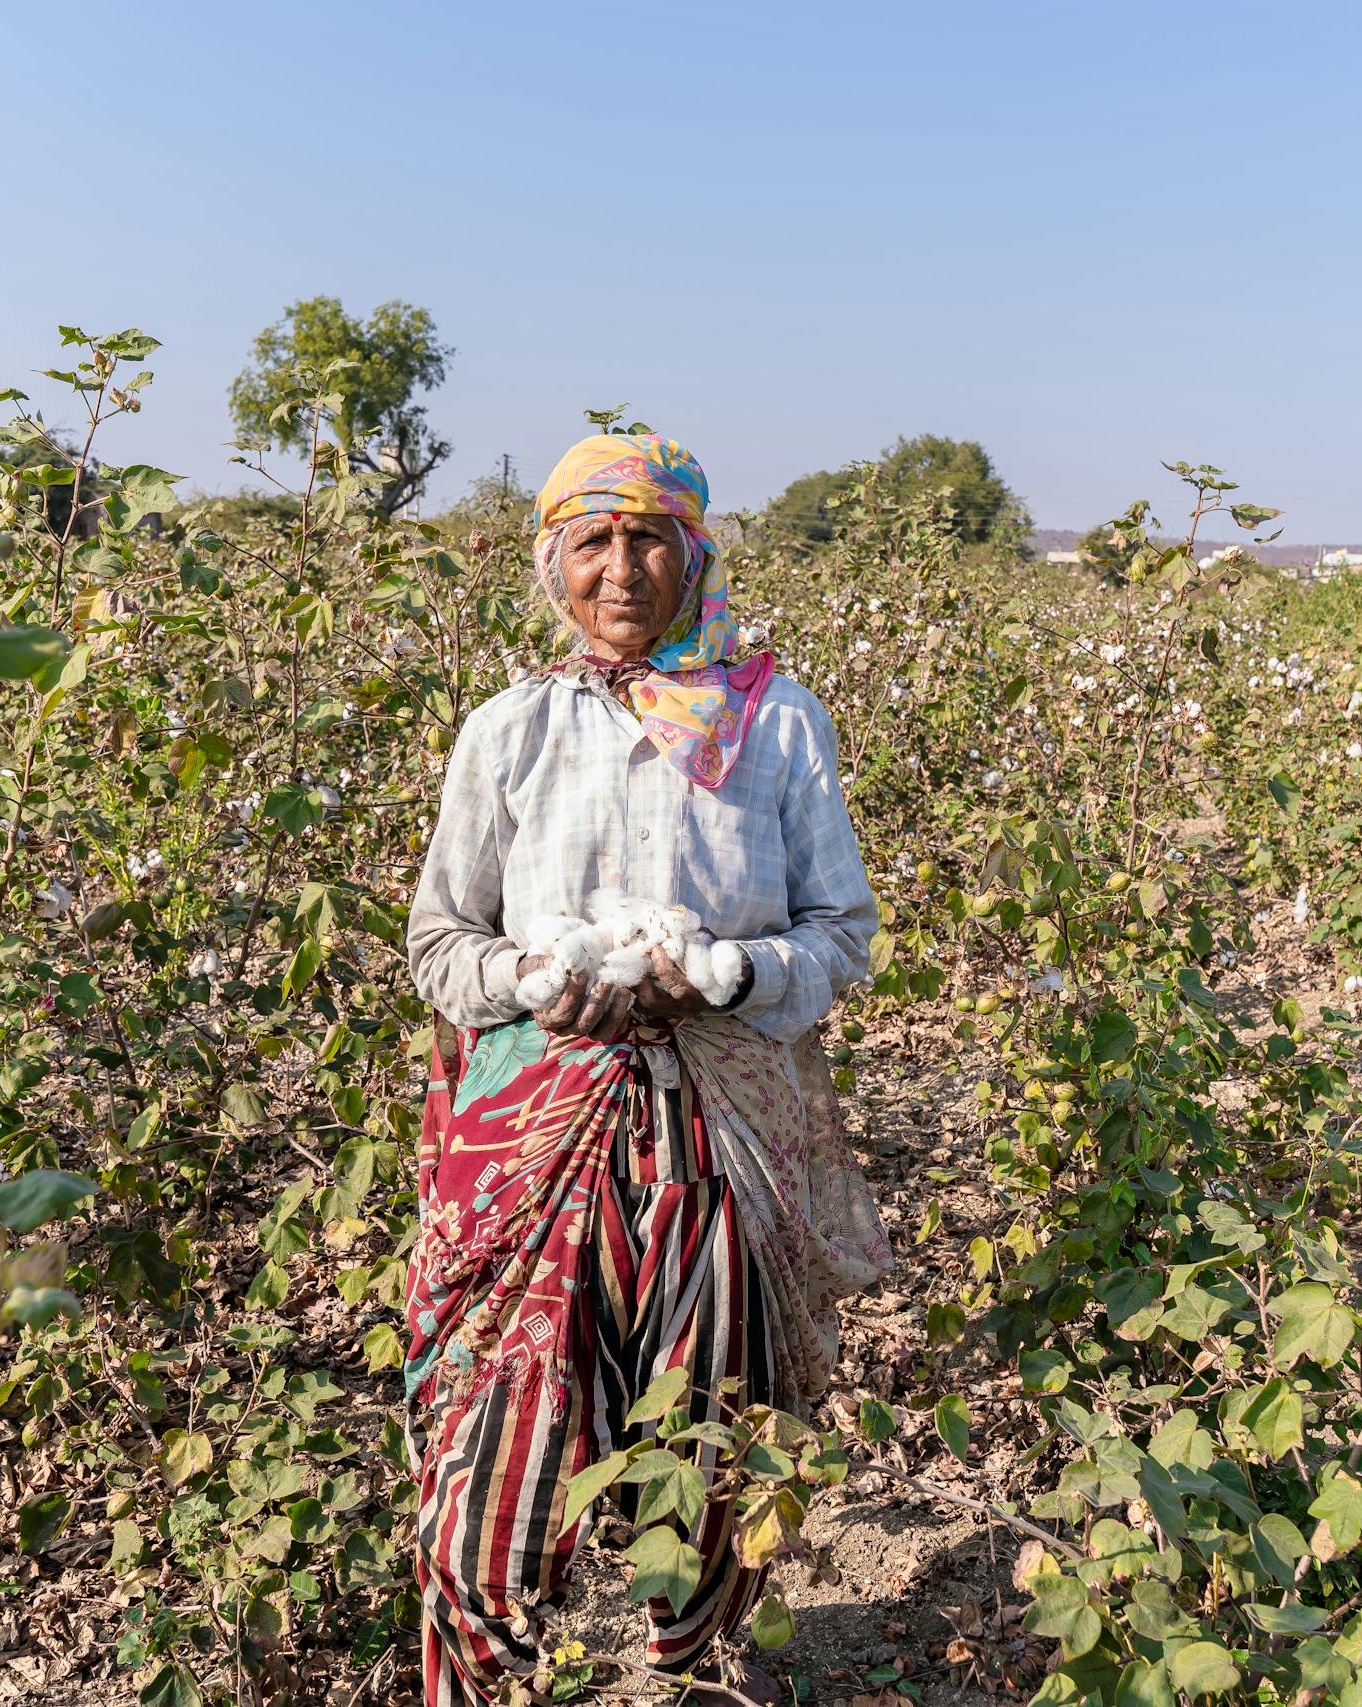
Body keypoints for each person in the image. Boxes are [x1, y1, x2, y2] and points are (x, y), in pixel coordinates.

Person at [404, 432, 893, 1704]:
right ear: (552, 562)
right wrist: (532, 983)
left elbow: (843, 933)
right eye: (593, 541)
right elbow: (440, 941)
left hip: (717, 1138)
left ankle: (697, 1675)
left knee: (712, 1460)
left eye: (649, 538)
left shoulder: (777, 721)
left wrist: (727, 977)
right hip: (531, 1137)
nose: (621, 569)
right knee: (490, 1478)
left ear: (695, 553)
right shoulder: (507, 731)